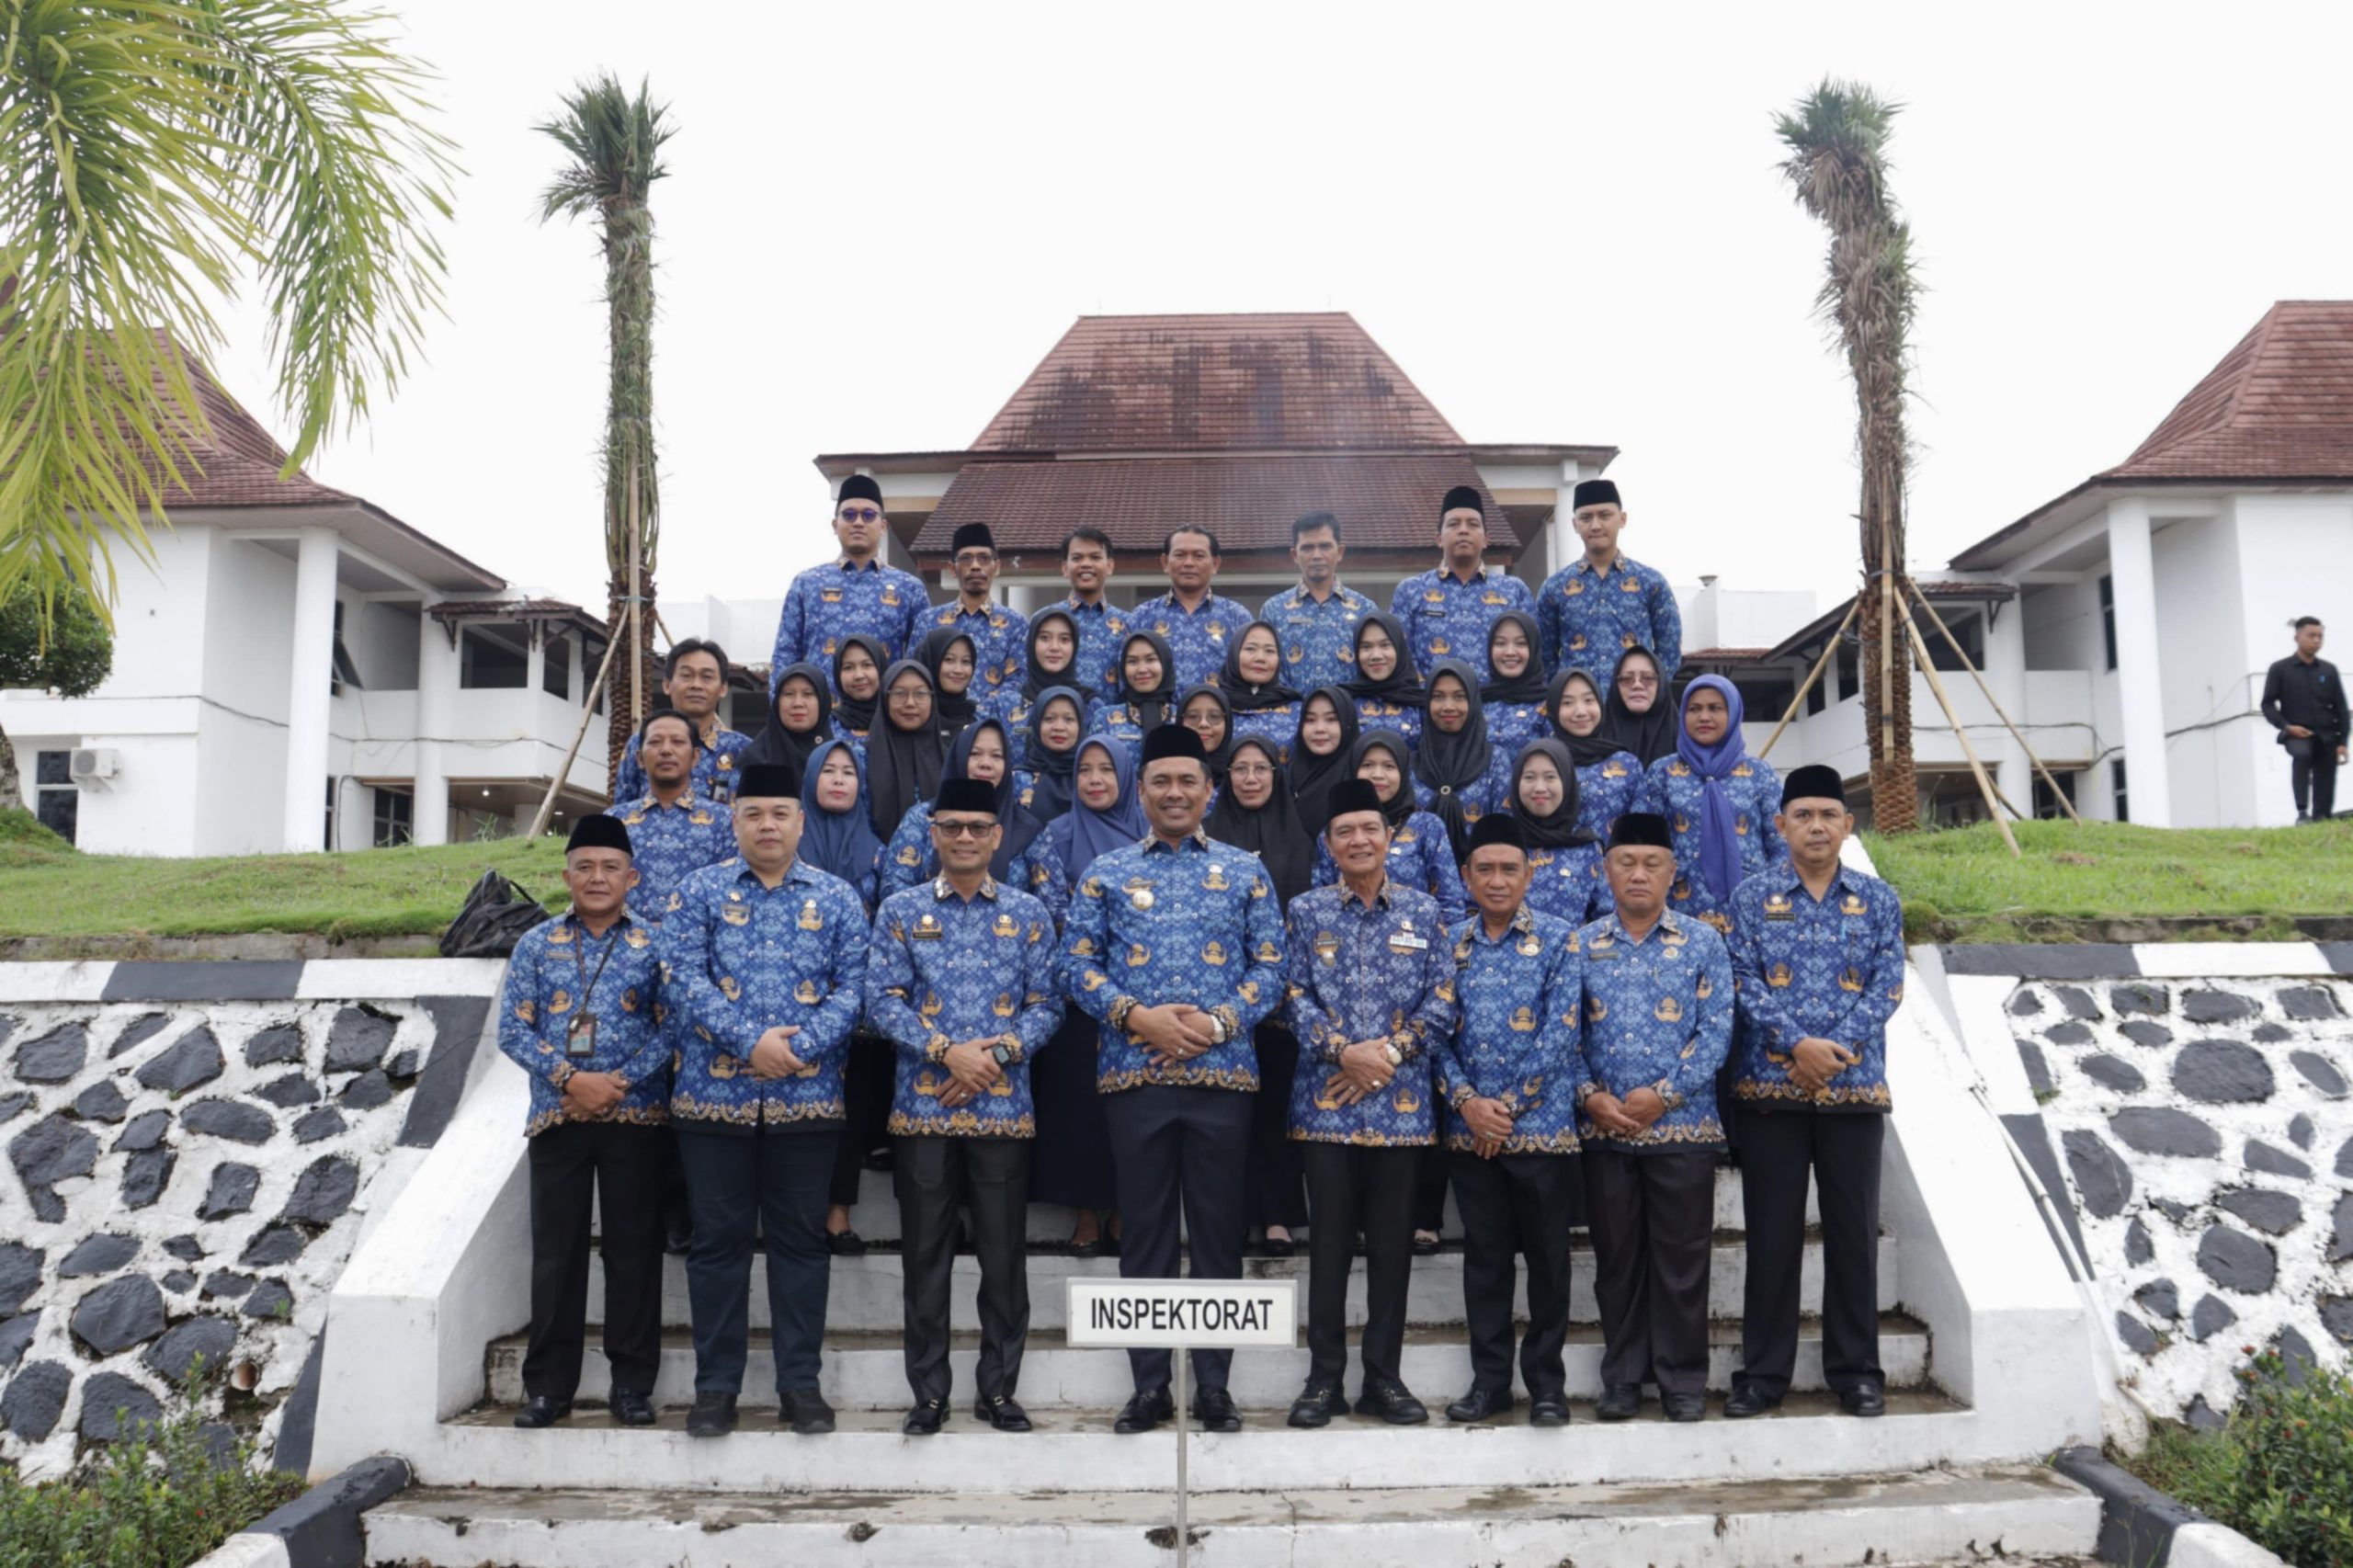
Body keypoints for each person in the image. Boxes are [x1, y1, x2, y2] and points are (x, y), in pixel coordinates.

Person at [1059, 724, 1284, 1436]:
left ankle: (1214, 1386)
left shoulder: (1247, 872)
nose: (1176, 792)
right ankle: (1150, 1386)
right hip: (1136, 1077)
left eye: (1189, 780)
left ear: (1210, 790)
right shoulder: (1107, 873)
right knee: (1146, 1235)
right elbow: (1075, 965)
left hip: (1223, 1077)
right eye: (1162, 781)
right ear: (1142, 791)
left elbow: (1272, 967)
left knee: (1218, 1234)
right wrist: (1139, 1019)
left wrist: (1214, 1026)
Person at [660, 760, 870, 1439]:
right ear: (736, 822)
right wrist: (750, 1042)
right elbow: (681, 978)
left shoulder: (836, 898)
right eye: (754, 814)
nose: (768, 825)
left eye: (780, 814)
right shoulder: (698, 892)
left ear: (801, 822)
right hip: (711, 1101)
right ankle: (715, 1389)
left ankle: (799, 1386)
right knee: (717, 1248)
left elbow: (855, 988)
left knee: (801, 1247)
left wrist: (797, 1048)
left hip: (807, 1101)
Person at [865, 776, 1063, 1435]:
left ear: (997, 836)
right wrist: (947, 1052)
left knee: (1004, 1257)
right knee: (925, 1256)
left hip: (1002, 1109)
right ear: (934, 834)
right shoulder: (901, 910)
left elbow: (1048, 1005)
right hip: (923, 1108)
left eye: (978, 827)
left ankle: (998, 1391)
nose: (965, 837)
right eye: (951, 826)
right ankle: (929, 1394)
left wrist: (992, 1058)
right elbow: (881, 1000)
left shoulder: (1029, 914)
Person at [1723, 765, 1905, 1422]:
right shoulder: (1751, 898)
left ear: (1848, 825)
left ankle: (1857, 1373)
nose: (1817, 826)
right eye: (1803, 815)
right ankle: (1762, 1375)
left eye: (1829, 815)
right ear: (1781, 825)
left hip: (1853, 1093)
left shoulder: (1878, 900)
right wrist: (1796, 1044)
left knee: (1853, 1238)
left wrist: (1831, 1053)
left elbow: (1888, 984)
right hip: (1772, 1093)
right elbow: (1741, 979)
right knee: (1772, 1239)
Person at [1280, 778, 1459, 1430]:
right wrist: (1342, 1052)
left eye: (1370, 829)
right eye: (1345, 832)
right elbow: (1290, 995)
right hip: (1326, 1108)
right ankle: (1323, 1380)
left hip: (1401, 1110)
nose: (1359, 840)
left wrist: (1386, 1055)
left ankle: (1384, 1377)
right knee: (1328, 1250)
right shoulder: (1305, 912)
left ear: (1389, 839)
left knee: (1392, 1250)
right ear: (1329, 844)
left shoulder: (1425, 912)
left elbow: (1443, 999)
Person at [497, 813, 672, 1430]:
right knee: (556, 1254)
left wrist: (615, 1085)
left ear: (632, 877)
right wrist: (572, 1081)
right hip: (559, 1117)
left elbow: (674, 1027)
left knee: (634, 1253)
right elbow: (513, 1029)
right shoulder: (536, 944)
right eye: (585, 867)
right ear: (566, 875)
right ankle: (548, 1388)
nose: (598, 878)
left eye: (610, 867)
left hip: (637, 1117)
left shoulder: (656, 944)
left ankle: (632, 1385)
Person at [1574, 812, 1734, 1425]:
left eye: (1652, 864)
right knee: (1617, 1263)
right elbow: (1566, 1033)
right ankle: (1621, 1379)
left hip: (1682, 1129)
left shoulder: (1703, 942)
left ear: (1672, 873)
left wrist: (1664, 1095)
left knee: (1682, 1262)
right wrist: (1591, 1096)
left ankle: (1682, 1380)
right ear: (1606, 870)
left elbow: (1716, 1031)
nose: (1638, 874)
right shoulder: (1580, 946)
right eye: (1626, 862)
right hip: (1606, 1129)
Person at [1436, 814, 1587, 1427]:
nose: (1497, 880)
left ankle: (1547, 1386)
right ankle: (1490, 1383)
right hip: (1471, 1134)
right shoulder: (1448, 943)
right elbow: (1433, 1034)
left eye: (1508, 869)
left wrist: (1505, 1109)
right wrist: (1468, 1103)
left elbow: (1561, 1032)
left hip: (1542, 1131)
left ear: (1529, 874)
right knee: (1486, 1263)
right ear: (1466, 876)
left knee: (1549, 1263)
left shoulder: (1560, 939)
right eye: (1485, 870)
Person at [1033, 736, 1146, 1255]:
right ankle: (1084, 1215)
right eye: (1085, 770)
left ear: (1126, 777)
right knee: (1078, 1108)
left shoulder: (1151, 834)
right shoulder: (1055, 837)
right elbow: (1053, 914)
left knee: (1133, 1110)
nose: (1095, 780)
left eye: (1106, 770)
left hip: (1144, 1001)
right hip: (1079, 997)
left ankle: (1124, 1211)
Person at [1206, 735, 1313, 1256]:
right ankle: (1229, 1217)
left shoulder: (1302, 837)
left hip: (1282, 1001)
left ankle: (1277, 1218)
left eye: (1261, 768)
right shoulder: (1208, 837)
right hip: (1218, 1003)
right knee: (1226, 1116)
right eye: (1240, 769)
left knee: (1276, 1111)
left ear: (1277, 774)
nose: (1250, 779)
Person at [800, 739, 890, 1257]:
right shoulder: (787, 845)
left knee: (850, 1108)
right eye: (828, 770)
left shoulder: (876, 850)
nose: (838, 780)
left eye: (848, 772)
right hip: (793, 1004)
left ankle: (838, 1214)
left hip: (855, 1005)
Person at [1641, 676, 1786, 937]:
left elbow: (1781, 844)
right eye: (1694, 709)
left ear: (1733, 713)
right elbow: (1647, 846)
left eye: (1715, 708)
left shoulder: (1759, 774)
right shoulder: (1663, 773)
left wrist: (1773, 897)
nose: (1704, 717)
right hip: (1679, 911)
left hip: (1750, 909)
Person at [880, 719, 1065, 921]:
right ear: (958, 758)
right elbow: (894, 887)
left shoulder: (1027, 828)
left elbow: (1047, 903)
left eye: (996, 756)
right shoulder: (923, 818)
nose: (985, 763)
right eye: (974, 754)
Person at [771, 475, 929, 694]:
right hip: (821, 713)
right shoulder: (806, 584)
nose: (858, 523)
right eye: (849, 515)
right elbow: (785, 656)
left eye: (868, 515)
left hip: (884, 712)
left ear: (883, 526)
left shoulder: (909, 588)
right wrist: (779, 707)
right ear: (835, 525)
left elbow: (921, 663)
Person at [1537, 479, 1683, 680]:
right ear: (1575, 524)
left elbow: (1669, 652)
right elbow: (1543, 656)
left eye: (1605, 515)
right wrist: (1563, 693)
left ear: (1622, 519)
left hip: (1635, 699)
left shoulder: (1651, 583)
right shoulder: (1554, 588)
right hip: (1577, 699)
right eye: (1586, 517)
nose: (1596, 525)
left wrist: (1649, 691)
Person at [1313, 732, 1466, 925]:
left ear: (1403, 771)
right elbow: (1321, 901)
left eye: (1389, 766)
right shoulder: (1335, 832)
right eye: (1367, 765)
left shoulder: (1428, 826)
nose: (1378, 775)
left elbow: (1450, 903)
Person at [1389, 484, 1536, 682]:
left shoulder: (1514, 590)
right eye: (1454, 524)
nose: (1464, 530)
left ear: (1486, 539)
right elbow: (1401, 658)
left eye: (1473, 524)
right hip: (1432, 700)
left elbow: (1532, 655)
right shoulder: (1410, 591)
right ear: (1439, 539)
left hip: (1500, 700)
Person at [617, 710, 739, 924]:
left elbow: (732, 891)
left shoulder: (725, 821)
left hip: (698, 941)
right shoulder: (614, 821)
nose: (666, 750)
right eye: (655, 742)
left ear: (695, 757)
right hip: (628, 940)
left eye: (677, 742)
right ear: (639, 758)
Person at [611, 639, 751, 806]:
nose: (696, 685)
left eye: (707, 677)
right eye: (686, 675)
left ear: (723, 688)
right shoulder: (641, 744)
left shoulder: (744, 750)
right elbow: (622, 811)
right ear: (666, 685)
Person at [1260, 511, 1378, 692]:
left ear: (1340, 552)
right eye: (1307, 548)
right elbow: (1267, 669)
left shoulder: (1365, 609)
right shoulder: (1273, 610)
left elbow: (1373, 668)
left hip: (1350, 708)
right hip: (1290, 708)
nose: (1316, 555)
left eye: (1325, 546)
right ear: (1294, 555)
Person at [1414, 660, 1515, 859]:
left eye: (1459, 697)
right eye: (1438, 697)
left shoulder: (1495, 761)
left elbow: (1502, 831)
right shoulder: (1412, 763)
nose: (1448, 706)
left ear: (1473, 701)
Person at [1136, 526, 1255, 691]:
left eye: (1199, 556)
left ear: (1215, 564)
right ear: (1165, 562)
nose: (1189, 563)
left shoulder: (1238, 617)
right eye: (1180, 555)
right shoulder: (1142, 616)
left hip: (1220, 708)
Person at [1506, 739, 1611, 925]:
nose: (1539, 788)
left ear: (1567, 782)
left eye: (1550, 777)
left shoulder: (1588, 849)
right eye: (1529, 777)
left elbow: (1606, 918)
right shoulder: (1500, 844)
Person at [926, 523, 1027, 709]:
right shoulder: (928, 621)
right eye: (966, 559)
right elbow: (918, 677)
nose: (975, 566)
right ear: (952, 568)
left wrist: (979, 714)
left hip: (993, 723)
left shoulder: (1016, 625)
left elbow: (1017, 682)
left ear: (997, 567)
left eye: (984, 558)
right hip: (939, 722)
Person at [2261, 616, 2347, 822]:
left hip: (2327, 734)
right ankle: (2302, 812)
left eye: (2320, 636)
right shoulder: (2280, 669)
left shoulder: (2328, 670)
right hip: (2297, 733)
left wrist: (2343, 742)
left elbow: (2341, 708)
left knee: (2326, 774)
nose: (2316, 640)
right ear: (2297, 637)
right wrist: (2286, 726)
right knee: (2303, 755)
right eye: (2311, 635)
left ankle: (2321, 818)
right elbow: (2268, 704)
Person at [1547, 668, 1643, 839]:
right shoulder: (1542, 760)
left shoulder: (1627, 764)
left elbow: (1640, 829)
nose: (1581, 711)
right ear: (1553, 709)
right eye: (1567, 703)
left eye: (1589, 700)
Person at [866, 660, 951, 835]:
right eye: (899, 694)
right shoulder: (862, 757)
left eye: (920, 694)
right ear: (885, 698)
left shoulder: (949, 759)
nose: (910, 703)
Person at [1046, 526, 1130, 704]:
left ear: (1110, 566)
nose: (1086, 564)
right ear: (1064, 568)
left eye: (1095, 557)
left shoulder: (1128, 624)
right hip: (1059, 718)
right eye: (1077, 558)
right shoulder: (1045, 620)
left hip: (1113, 719)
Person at [989, 608, 1087, 734]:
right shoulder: (1004, 705)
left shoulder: (1090, 705)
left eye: (1064, 639)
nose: (1054, 647)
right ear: (1031, 643)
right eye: (1045, 638)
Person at [1088, 629, 1179, 766]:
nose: (1142, 669)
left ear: (1165, 663)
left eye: (1150, 659)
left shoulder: (1182, 718)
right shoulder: (1104, 719)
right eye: (1132, 661)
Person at [1217, 619, 1302, 765]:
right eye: (1251, 649)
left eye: (1269, 651)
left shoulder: (1299, 711)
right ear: (1234, 653)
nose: (1261, 658)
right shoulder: (1215, 706)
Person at [1287, 686, 1362, 840]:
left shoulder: (1360, 776)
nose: (1319, 729)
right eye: (1310, 720)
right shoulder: (1290, 773)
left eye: (1331, 719)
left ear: (1347, 723)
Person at [1346, 611, 1426, 748]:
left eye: (1385, 645)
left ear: (1399, 648)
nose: (1376, 655)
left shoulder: (1422, 703)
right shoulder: (1345, 702)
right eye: (1366, 647)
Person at [741, 664, 835, 778]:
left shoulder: (840, 755)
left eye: (808, 694)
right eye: (789, 694)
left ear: (822, 701)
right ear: (777, 702)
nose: (798, 703)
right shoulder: (753, 760)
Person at [1014, 687, 1087, 824]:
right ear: (1036, 724)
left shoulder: (1091, 778)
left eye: (1069, 719)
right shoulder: (1017, 779)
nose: (1059, 727)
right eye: (1049, 719)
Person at [1481, 611, 1549, 755]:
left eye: (1521, 643)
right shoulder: (1476, 701)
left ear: (1534, 648)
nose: (1510, 652)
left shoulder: (1548, 706)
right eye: (1500, 643)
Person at [1603, 645, 1677, 767]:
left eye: (1648, 678)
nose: (1637, 685)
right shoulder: (1597, 740)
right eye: (1626, 679)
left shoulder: (1685, 741)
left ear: (1661, 684)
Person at [917, 626, 982, 744]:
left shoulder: (977, 722)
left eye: (966, 661)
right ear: (931, 661)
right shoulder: (911, 716)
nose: (958, 670)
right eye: (949, 660)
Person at [829, 634, 889, 750]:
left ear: (880, 667)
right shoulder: (828, 726)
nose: (859, 675)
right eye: (848, 667)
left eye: (867, 665)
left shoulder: (898, 721)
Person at [1177, 684, 1236, 784]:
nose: (1203, 724)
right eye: (1192, 716)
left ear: (1227, 724)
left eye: (1214, 716)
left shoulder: (1240, 778)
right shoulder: (1164, 775)